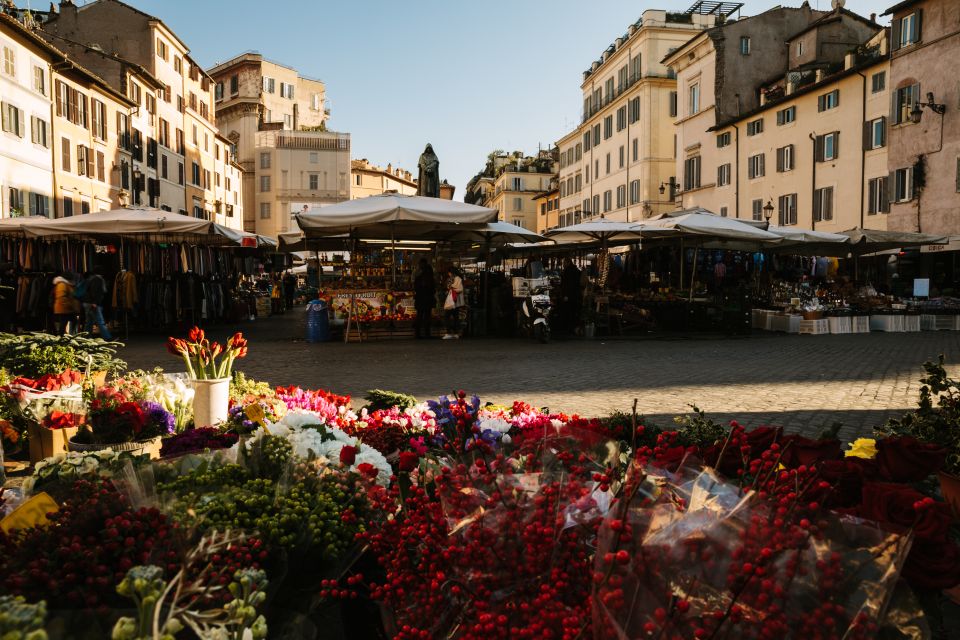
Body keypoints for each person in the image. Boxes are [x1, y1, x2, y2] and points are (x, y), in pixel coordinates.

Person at [81, 269, 112, 340]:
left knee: (89, 322)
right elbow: (95, 292)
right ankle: (107, 337)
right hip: (93, 303)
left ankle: (86, 337)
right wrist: (95, 302)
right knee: (100, 321)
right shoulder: (98, 279)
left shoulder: (91, 279)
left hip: (87, 302)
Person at [413, 258, 435, 339]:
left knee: (419, 316)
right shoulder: (430, 277)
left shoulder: (418, 277)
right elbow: (433, 289)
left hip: (420, 299)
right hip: (428, 299)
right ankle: (427, 333)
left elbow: (415, 288)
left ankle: (418, 333)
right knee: (427, 316)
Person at [560, 258, 582, 334]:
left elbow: (568, 285)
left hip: (570, 295)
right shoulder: (576, 270)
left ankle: (569, 328)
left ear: (568, 263)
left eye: (564, 263)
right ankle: (573, 328)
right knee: (573, 312)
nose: (563, 264)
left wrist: (566, 295)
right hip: (576, 295)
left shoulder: (568, 271)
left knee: (569, 312)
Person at [443, 267, 464, 340]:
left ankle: (449, 333)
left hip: (453, 301)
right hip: (455, 301)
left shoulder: (456, 279)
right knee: (455, 317)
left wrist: (451, 287)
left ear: (451, 272)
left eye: (449, 272)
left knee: (447, 316)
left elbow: (460, 289)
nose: (448, 274)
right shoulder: (455, 278)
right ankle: (455, 333)